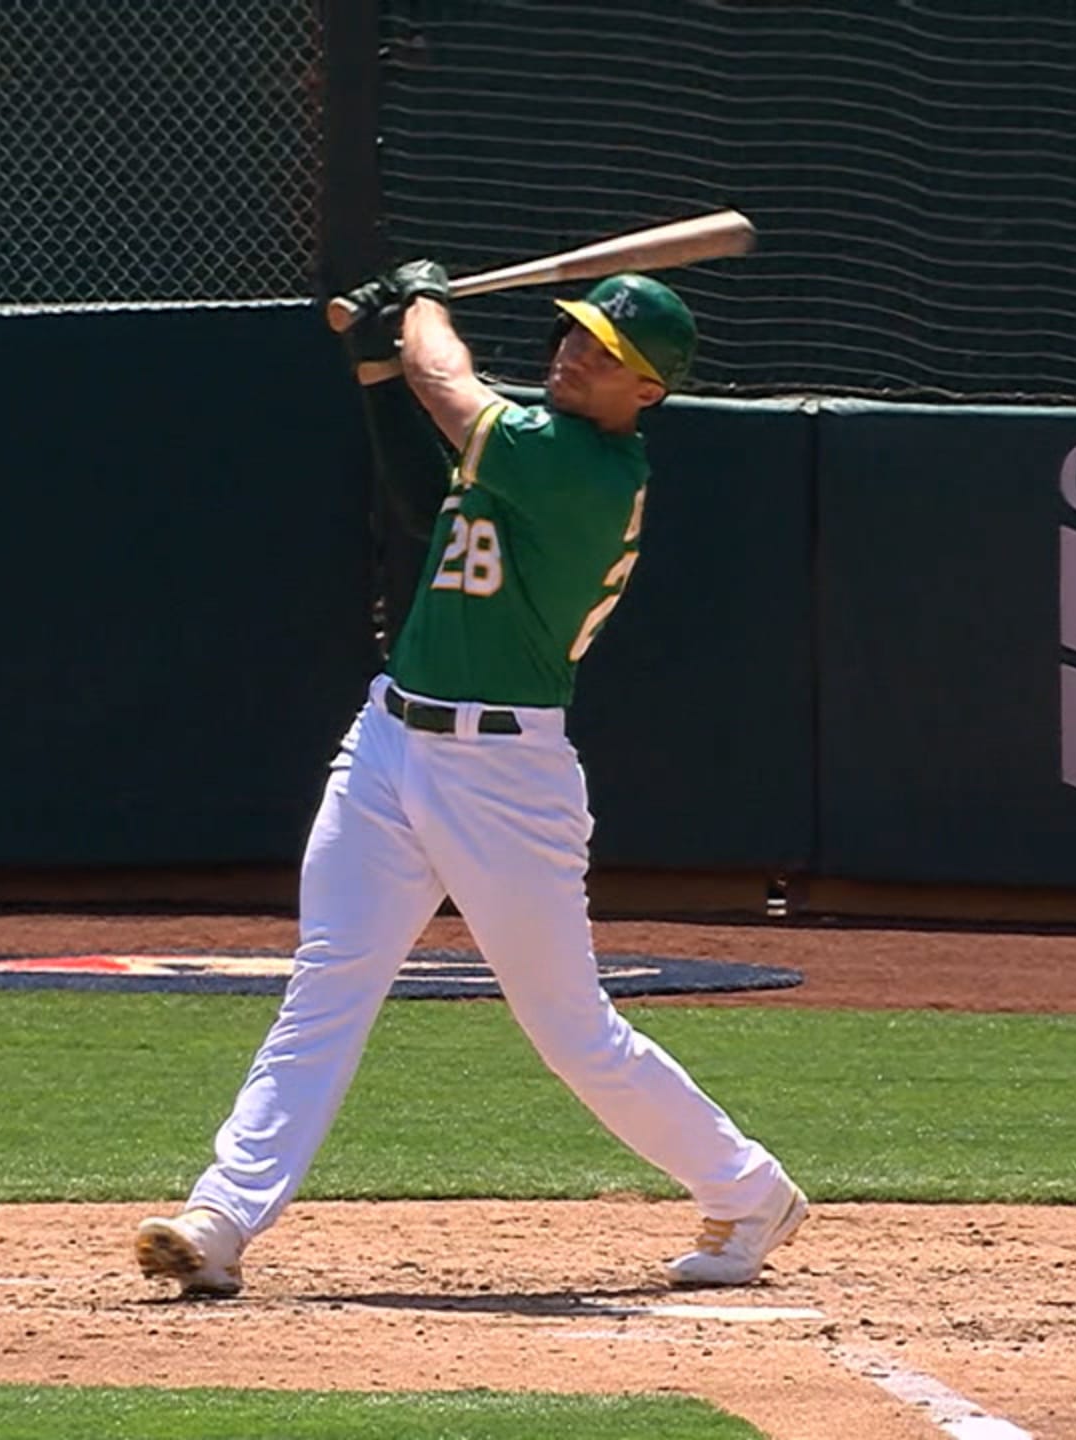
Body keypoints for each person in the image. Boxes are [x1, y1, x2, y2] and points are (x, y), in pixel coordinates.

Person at [132, 264, 807, 1297]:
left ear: (649, 395)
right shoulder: (524, 452)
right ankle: (221, 1217)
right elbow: (418, 498)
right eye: (579, 336)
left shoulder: (586, 466)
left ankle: (749, 1188)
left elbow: (445, 384)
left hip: (505, 774)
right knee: (328, 983)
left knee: (569, 1028)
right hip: (390, 737)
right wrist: (372, 361)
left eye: (611, 357)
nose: (579, 357)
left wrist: (422, 302)